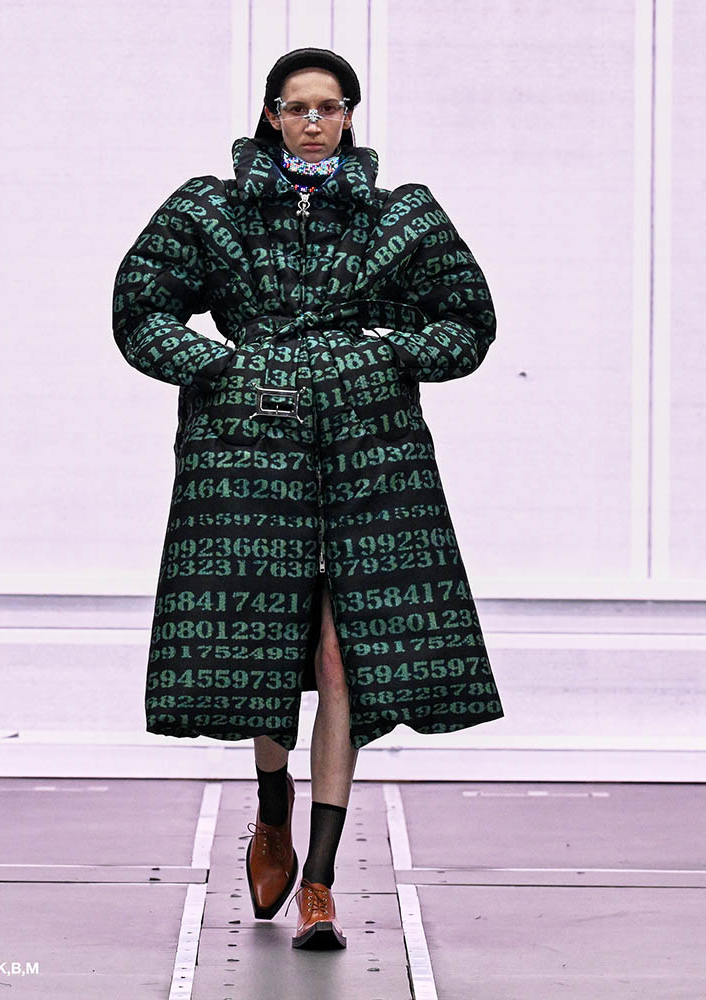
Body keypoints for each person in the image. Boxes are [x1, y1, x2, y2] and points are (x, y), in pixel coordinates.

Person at [112, 46, 505, 951]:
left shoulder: (400, 215)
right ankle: (272, 811)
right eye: (298, 108)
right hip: (246, 448)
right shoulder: (210, 207)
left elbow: (469, 320)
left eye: (330, 107)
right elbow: (139, 306)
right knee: (260, 641)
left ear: (351, 115)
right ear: (272, 114)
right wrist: (221, 367)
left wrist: (388, 353)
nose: (315, 122)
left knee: (342, 654)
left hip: (372, 451)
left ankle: (319, 881)